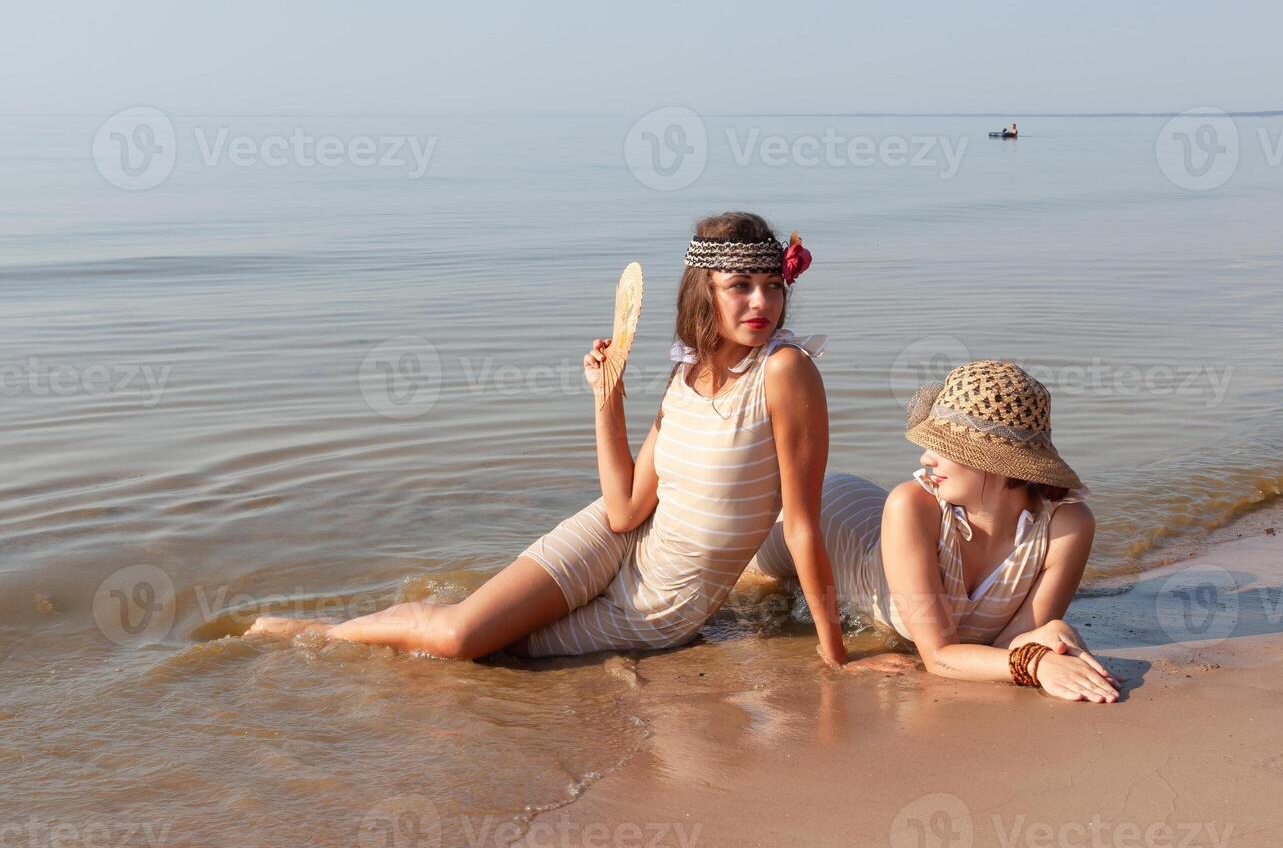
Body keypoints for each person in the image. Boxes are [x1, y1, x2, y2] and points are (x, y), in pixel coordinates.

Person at [248, 212, 848, 666]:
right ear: (704, 293)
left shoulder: (785, 372)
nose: (761, 301)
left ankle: (328, 633)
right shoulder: (686, 371)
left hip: (656, 608)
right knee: (460, 634)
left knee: (480, 648)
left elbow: (799, 524)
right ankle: (319, 633)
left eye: (772, 285)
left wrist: (834, 658)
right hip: (616, 542)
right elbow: (624, 510)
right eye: (740, 284)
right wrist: (606, 395)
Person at [752, 360, 1119, 701]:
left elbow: (1003, 645)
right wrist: (1035, 661)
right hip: (834, 519)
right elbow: (940, 658)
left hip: (890, 532)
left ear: (999, 462)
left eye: (946, 447)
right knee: (758, 580)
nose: (926, 458)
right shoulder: (909, 505)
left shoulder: (1067, 527)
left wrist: (1045, 640)